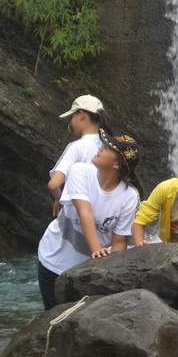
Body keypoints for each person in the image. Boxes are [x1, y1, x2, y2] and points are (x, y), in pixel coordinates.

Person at [37, 129, 142, 309]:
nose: (101, 148)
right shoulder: (79, 171)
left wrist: (107, 273)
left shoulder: (129, 196)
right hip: (53, 261)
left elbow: (119, 242)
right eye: (103, 143)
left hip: (89, 274)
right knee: (53, 318)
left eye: (108, 148)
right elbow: (84, 210)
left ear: (117, 164)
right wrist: (97, 251)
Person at [47, 94, 112, 217]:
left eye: (71, 117)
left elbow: (53, 184)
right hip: (95, 220)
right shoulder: (110, 148)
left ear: (81, 115)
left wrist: (59, 198)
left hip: (71, 218)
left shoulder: (77, 146)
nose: (70, 122)